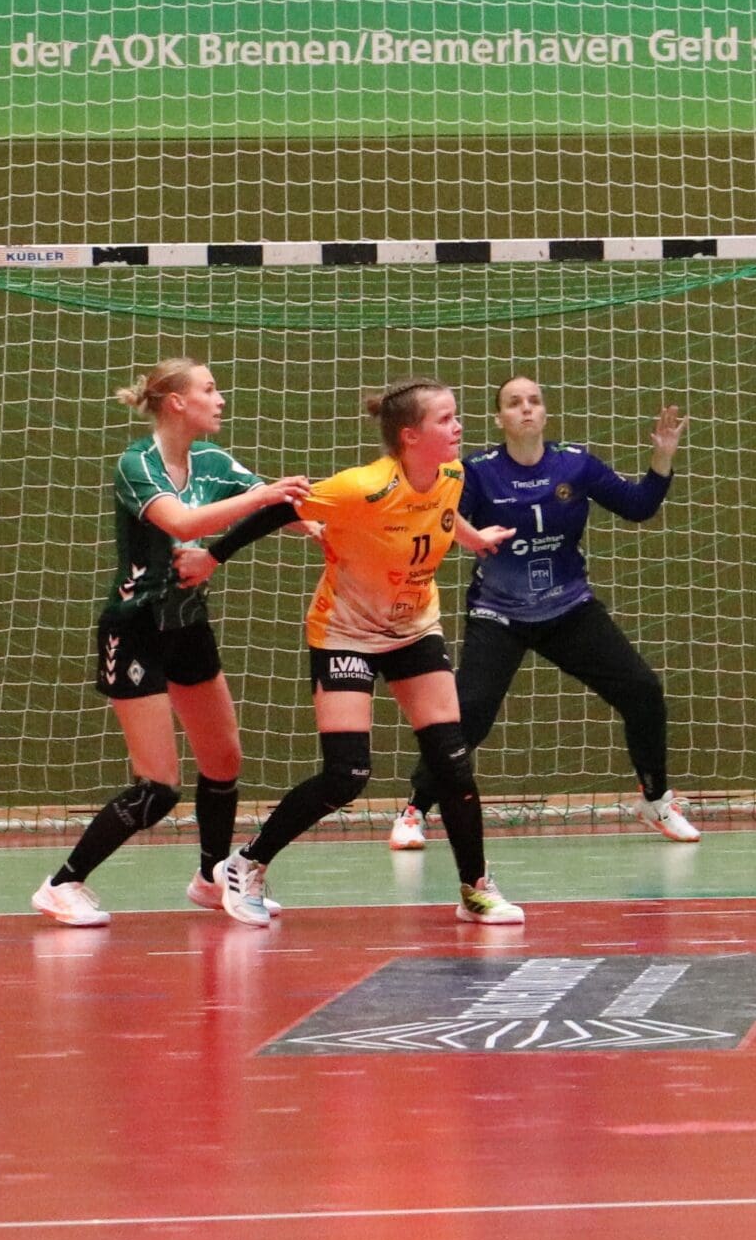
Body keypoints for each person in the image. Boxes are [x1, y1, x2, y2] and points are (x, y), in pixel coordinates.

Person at [210, 378, 523, 927]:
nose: (458, 426)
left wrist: (474, 539)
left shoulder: (452, 474)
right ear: (410, 436)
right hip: (345, 633)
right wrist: (211, 558)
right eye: (445, 419)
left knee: (452, 761)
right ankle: (247, 862)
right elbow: (279, 509)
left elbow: (441, 514)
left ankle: (475, 888)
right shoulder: (363, 487)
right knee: (347, 774)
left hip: (414, 629)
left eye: (455, 416)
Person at [30, 358, 311, 928]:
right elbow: (183, 523)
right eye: (209, 389)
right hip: (135, 630)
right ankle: (62, 884)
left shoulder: (212, 461)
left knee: (224, 760)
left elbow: (284, 509)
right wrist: (263, 500)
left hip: (188, 625)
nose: (220, 399)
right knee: (159, 787)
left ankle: (210, 878)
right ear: (177, 402)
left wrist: (318, 519)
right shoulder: (137, 463)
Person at [390, 379, 697, 851]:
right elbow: (443, 522)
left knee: (642, 691)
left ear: (545, 413)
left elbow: (639, 507)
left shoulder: (575, 463)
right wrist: (469, 533)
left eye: (534, 401)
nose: (526, 409)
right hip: (498, 614)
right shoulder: (476, 471)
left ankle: (655, 800)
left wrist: (662, 457)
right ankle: (415, 810)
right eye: (514, 403)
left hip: (568, 609)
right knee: (469, 714)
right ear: (500, 419)